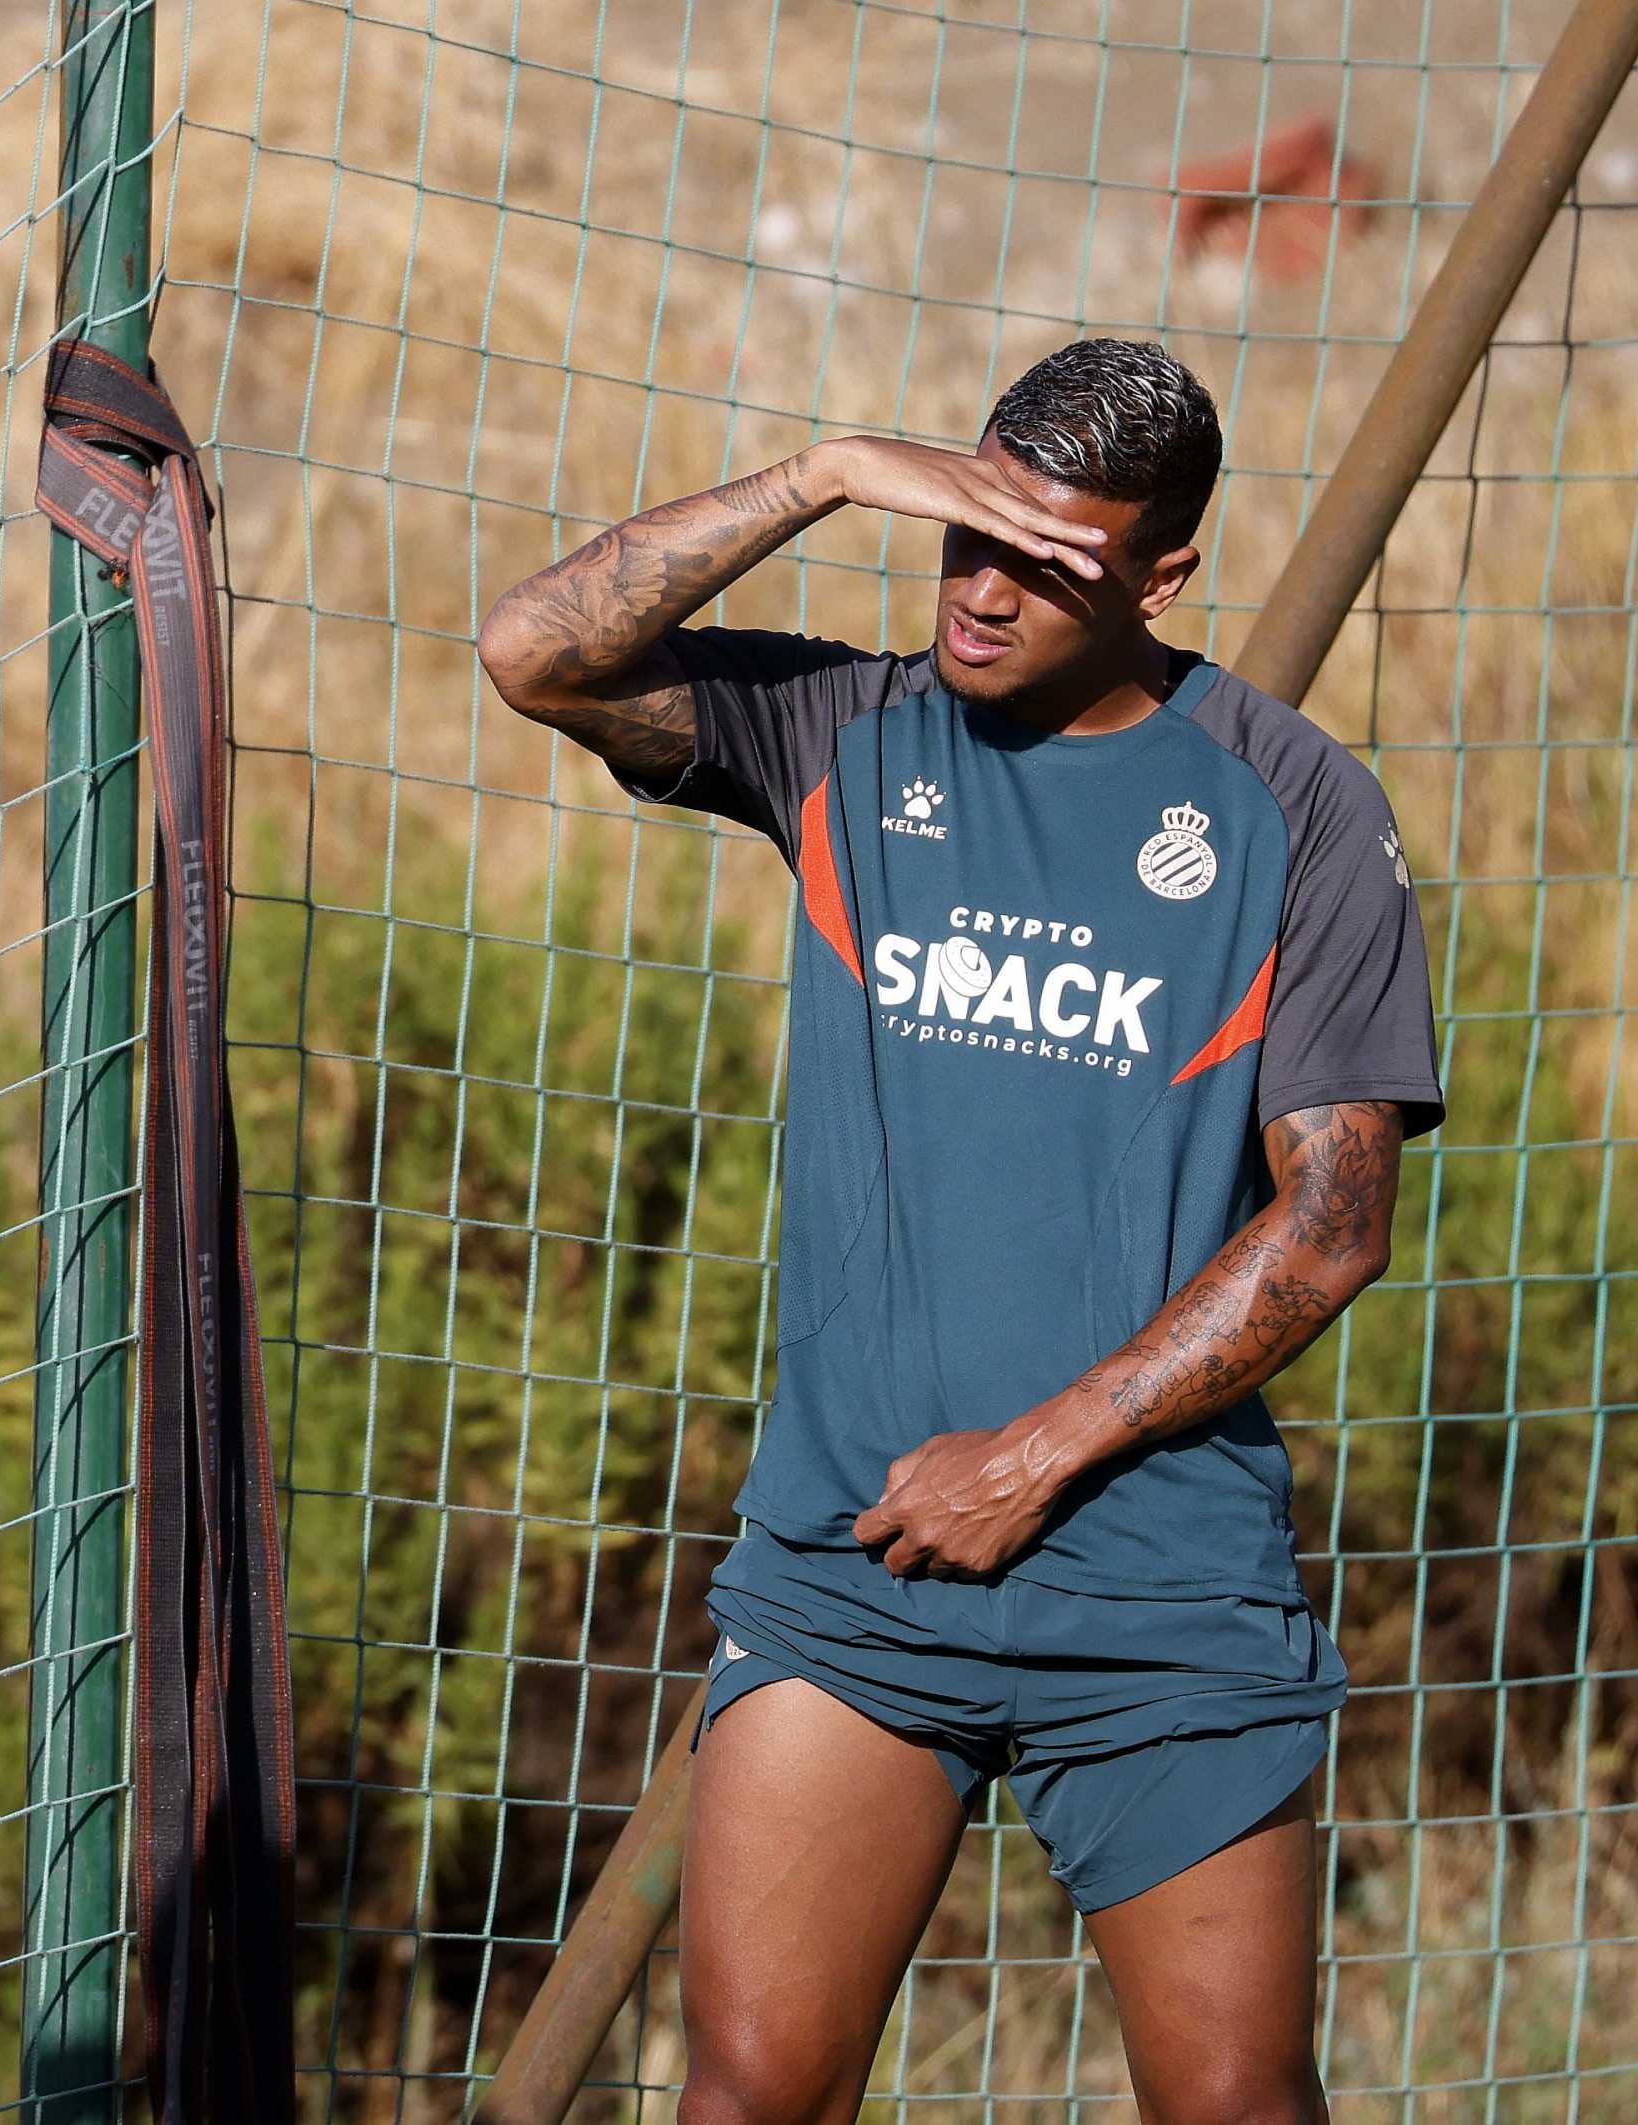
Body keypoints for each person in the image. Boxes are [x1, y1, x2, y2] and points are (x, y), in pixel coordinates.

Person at [477, 339, 1440, 2123]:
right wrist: (825, 472)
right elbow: (535, 651)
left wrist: (1033, 1455)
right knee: (749, 2094)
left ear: (1162, 577)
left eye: (1048, 562)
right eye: (964, 535)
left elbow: (1332, 1226)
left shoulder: (1297, 805)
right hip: (857, 1571)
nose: (983, 594)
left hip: (1158, 1584)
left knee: (1238, 2103)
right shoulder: (843, 730)